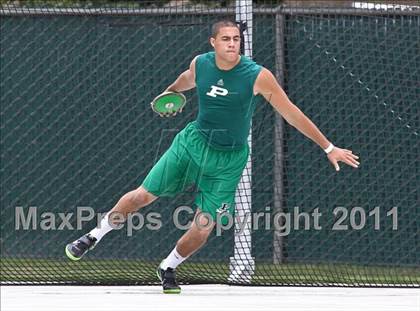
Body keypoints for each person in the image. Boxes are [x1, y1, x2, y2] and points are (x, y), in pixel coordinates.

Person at [65, 20, 360, 294]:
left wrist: (328, 147)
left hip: (229, 160)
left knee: (205, 225)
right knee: (142, 196)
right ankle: (92, 236)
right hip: (191, 145)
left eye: (237, 39)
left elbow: (292, 113)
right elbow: (185, 79)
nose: (233, 44)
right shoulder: (201, 64)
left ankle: (168, 267)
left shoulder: (257, 76)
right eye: (226, 39)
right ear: (213, 43)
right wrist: (169, 93)